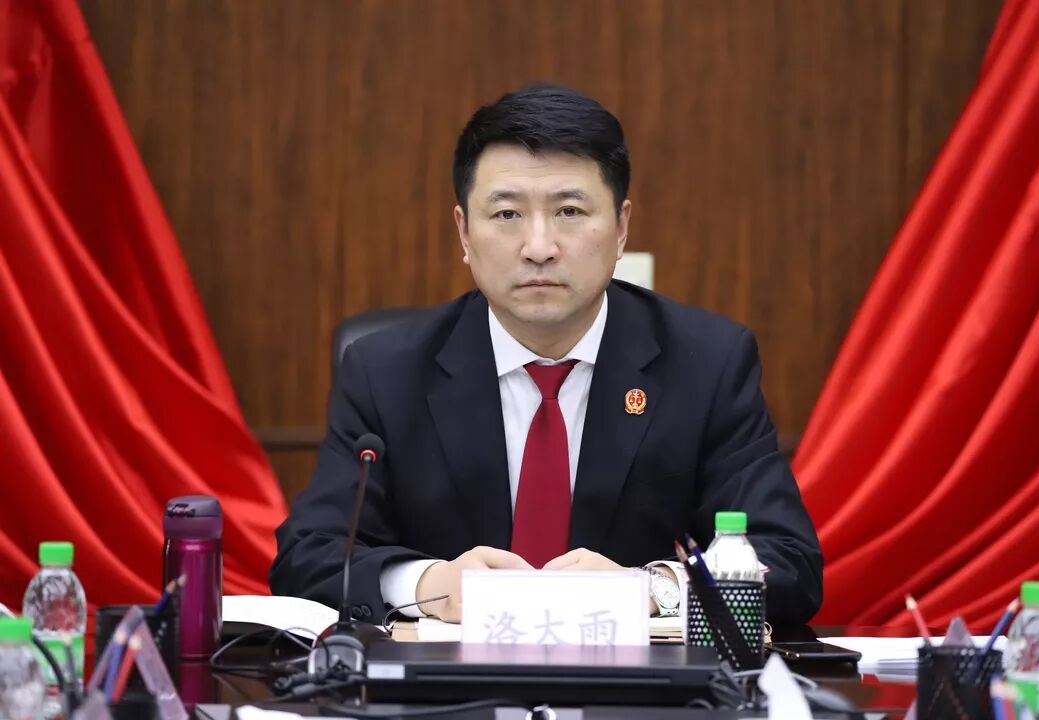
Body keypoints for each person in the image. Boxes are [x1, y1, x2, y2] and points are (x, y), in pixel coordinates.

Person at [270, 84, 823, 626]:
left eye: (570, 211)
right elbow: (308, 556)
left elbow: (788, 563)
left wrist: (650, 589)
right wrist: (427, 585)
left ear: (621, 229)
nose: (539, 248)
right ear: (464, 232)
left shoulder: (707, 364)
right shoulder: (386, 372)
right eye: (507, 215)